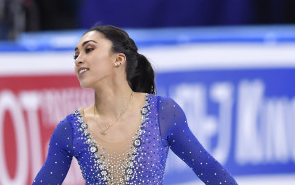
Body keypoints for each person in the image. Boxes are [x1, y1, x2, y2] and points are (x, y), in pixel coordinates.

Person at [33, 25, 238, 184]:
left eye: (88, 50)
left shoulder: (162, 113)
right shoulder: (70, 129)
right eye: (75, 55)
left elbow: (210, 170)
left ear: (118, 59)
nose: (78, 59)